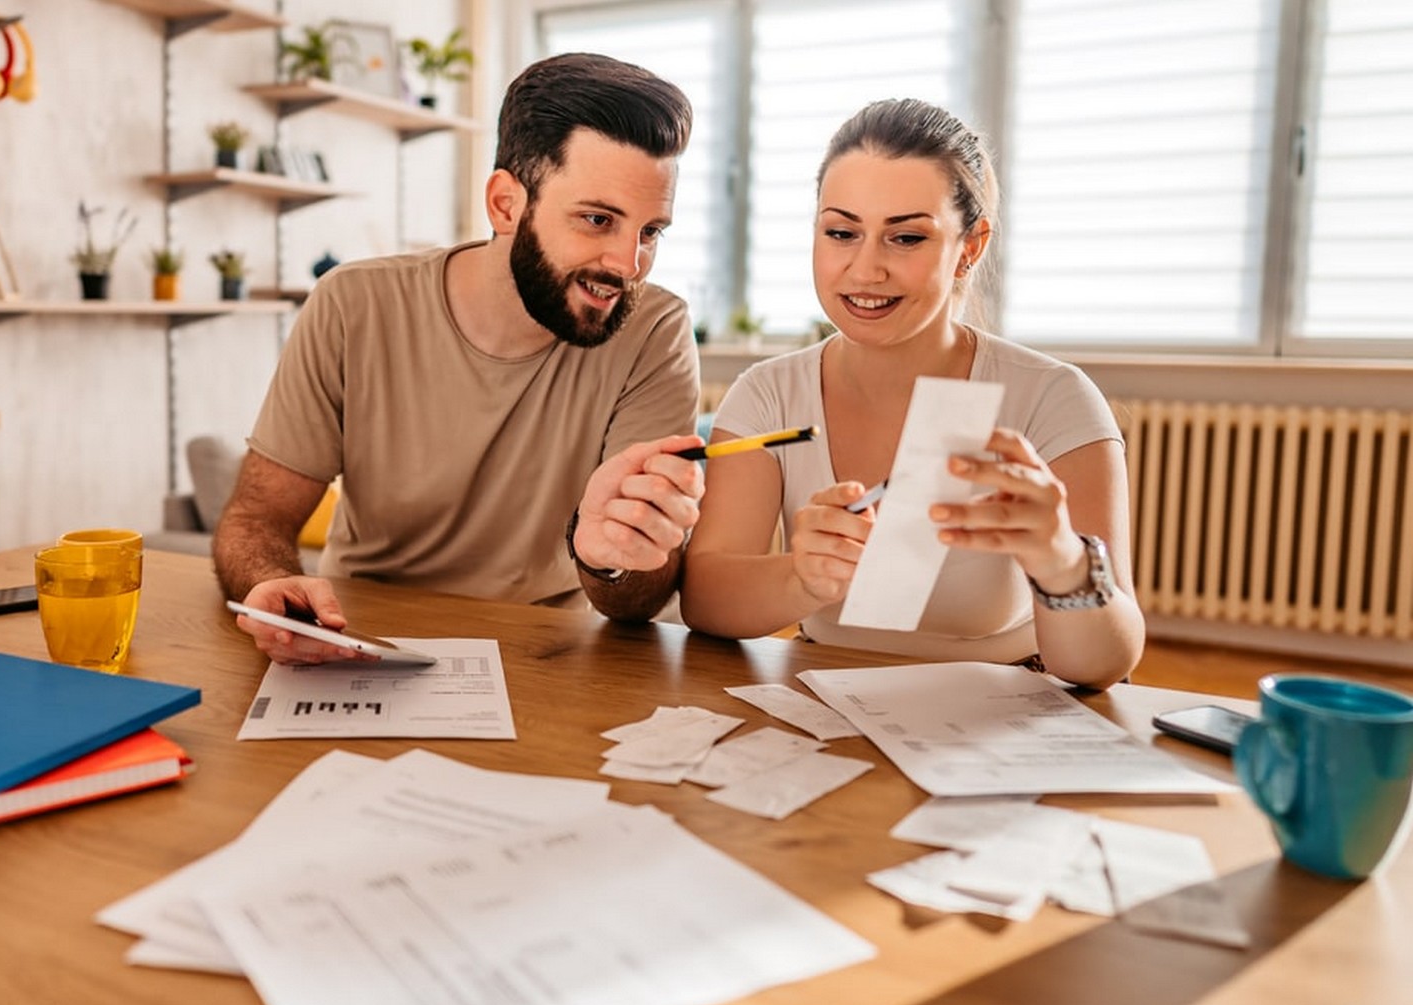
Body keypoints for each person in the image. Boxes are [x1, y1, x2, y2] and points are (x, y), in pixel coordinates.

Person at [215, 53, 706, 663]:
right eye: (597, 219)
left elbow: (636, 603)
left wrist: (610, 556)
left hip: (545, 654)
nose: (627, 264)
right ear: (505, 205)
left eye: (651, 231)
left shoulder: (654, 330)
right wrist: (268, 583)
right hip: (359, 639)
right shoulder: (353, 303)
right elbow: (256, 518)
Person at [681, 98, 1143, 689]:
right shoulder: (767, 395)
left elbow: (1106, 663)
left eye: (905, 238)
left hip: (1003, 712)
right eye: (842, 232)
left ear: (970, 247)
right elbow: (705, 600)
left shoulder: (1054, 399)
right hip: (827, 698)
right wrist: (801, 577)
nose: (865, 269)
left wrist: (1061, 561)